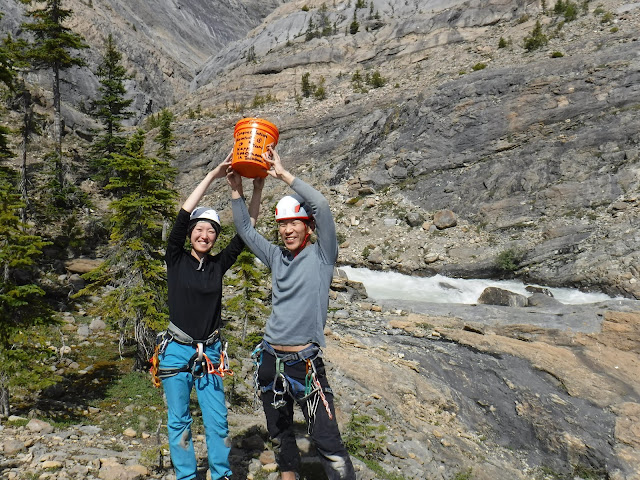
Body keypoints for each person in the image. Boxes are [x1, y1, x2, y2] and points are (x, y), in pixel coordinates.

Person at [228, 146, 356, 480]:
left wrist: (283, 175)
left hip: (306, 364)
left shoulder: (323, 256)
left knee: (327, 440)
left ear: (308, 227)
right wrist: (236, 189)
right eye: (282, 224)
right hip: (271, 361)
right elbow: (245, 231)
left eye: (294, 223)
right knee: (282, 436)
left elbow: (323, 206)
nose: (287, 230)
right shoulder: (275, 257)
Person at [154, 152, 264, 480]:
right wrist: (212, 176)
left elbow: (246, 231)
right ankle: (187, 476)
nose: (205, 235)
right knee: (179, 420)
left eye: (212, 231)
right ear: (190, 234)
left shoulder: (217, 265)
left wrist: (250, 190)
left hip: (210, 353)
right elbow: (183, 213)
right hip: (176, 349)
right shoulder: (175, 258)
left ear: (216, 237)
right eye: (200, 229)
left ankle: (221, 475)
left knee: (217, 421)